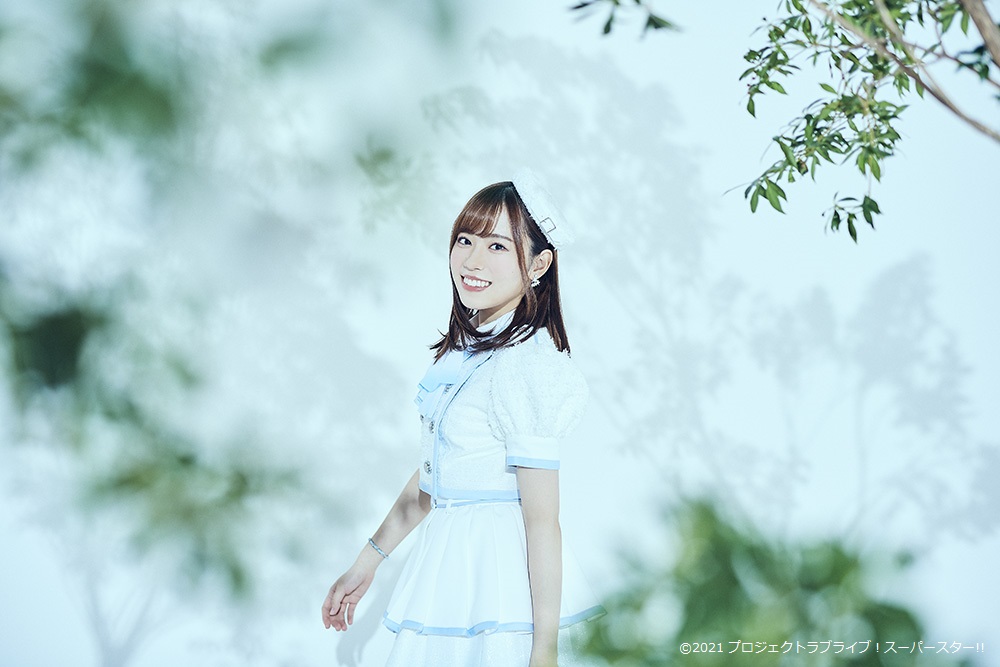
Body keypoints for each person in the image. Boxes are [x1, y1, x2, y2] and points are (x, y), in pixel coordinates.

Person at [321, 172, 603, 667]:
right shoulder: (469, 353)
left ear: (539, 264)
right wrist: (366, 563)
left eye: (498, 246)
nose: (472, 261)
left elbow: (542, 522)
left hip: (499, 580)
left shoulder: (526, 366)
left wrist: (544, 650)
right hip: (448, 564)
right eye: (466, 240)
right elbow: (434, 478)